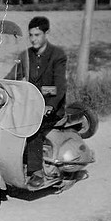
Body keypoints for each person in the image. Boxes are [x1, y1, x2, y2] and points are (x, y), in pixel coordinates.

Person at [26, 16, 67, 188]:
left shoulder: (57, 55)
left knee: (32, 129)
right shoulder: (28, 54)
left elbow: (59, 86)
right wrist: (0, 84)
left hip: (51, 108)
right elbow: (14, 74)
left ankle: (37, 173)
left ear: (46, 33)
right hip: (30, 105)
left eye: (37, 35)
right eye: (31, 35)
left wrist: (50, 104)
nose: (33, 39)